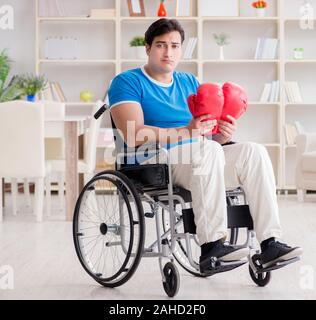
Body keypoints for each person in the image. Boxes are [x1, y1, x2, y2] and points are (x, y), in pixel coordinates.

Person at [108, 18, 302, 273]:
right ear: (147, 48)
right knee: (206, 150)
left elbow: (206, 137)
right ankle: (212, 248)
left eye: (175, 46)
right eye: (161, 45)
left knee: (253, 151)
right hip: (155, 162)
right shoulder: (127, 82)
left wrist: (221, 135)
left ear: (182, 49)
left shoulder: (189, 82)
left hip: (200, 158)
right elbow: (134, 134)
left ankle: (270, 244)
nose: (168, 52)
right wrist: (187, 132)